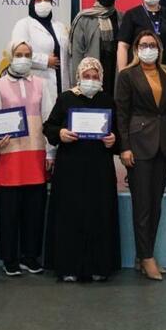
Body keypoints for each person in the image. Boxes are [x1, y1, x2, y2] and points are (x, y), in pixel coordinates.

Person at [43, 57, 121, 282]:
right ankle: (68, 266)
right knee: (70, 215)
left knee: (99, 215)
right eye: (87, 76)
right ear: (79, 77)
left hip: (100, 169)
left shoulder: (107, 100)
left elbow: (118, 134)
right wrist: (60, 134)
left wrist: (113, 140)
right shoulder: (66, 98)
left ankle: (99, 266)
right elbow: (49, 126)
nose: (91, 80)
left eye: (95, 77)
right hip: (70, 169)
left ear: (101, 79)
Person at [115, 30, 166, 281]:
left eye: (153, 45)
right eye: (144, 45)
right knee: (142, 206)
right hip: (138, 145)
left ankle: (145, 254)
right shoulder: (127, 75)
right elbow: (122, 113)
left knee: (155, 205)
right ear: (136, 49)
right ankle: (146, 257)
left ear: (159, 48)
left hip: (163, 145)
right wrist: (124, 147)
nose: (148, 48)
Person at [0, 40, 56, 276]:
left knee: (34, 210)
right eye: (19, 54)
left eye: (27, 54)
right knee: (9, 211)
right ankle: (9, 258)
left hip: (36, 153)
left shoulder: (41, 84)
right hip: (9, 156)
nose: (23, 58)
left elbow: (48, 118)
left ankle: (30, 256)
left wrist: (49, 151)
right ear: (11, 55)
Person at [10, 0, 69, 100]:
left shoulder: (60, 26)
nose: (43, 3)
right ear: (32, 3)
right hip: (37, 80)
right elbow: (17, 54)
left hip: (61, 82)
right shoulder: (23, 24)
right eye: (38, 0)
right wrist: (45, 60)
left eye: (47, 0)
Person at [70, 0, 121, 96]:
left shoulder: (121, 18)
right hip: (91, 76)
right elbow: (77, 52)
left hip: (114, 71)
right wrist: (78, 82)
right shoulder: (84, 18)